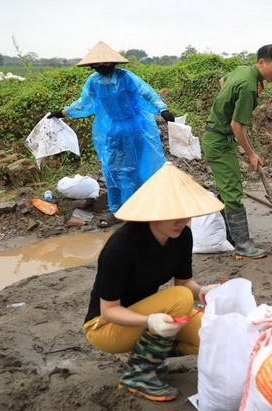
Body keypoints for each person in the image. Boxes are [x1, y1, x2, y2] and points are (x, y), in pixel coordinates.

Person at [82, 162, 224, 402]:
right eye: (174, 215)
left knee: (215, 336)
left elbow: (185, 282)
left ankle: (147, 353)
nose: (182, 221)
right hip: (105, 327)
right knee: (179, 298)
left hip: (143, 317)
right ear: (154, 213)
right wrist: (148, 320)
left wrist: (203, 292)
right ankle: (139, 375)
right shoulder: (121, 246)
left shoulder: (181, 236)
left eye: (185, 213)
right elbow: (108, 311)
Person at [46, 41, 173, 228]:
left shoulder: (126, 78)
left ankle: (139, 206)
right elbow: (84, 102)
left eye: (105, 64)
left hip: (134, 128)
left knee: (134, 168)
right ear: (92, 66)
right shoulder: (94, 81)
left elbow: (147, 93)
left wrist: (162, 109)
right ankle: (118, 210)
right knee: (111, 169)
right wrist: (63, 112)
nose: (101, 67)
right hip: (112, 129)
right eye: (97, 65)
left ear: (113, 63)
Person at [203, 44, 272, 259]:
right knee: (232, 191)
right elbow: (237, 126)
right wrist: (251, 154)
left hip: (219, 137)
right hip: (219, 140)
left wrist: (226, 102)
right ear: (261, 62)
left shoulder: (242, 70)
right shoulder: (249, 87)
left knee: (228, 187)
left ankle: (233, 237)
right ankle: (242, 246)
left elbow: (223, 82)